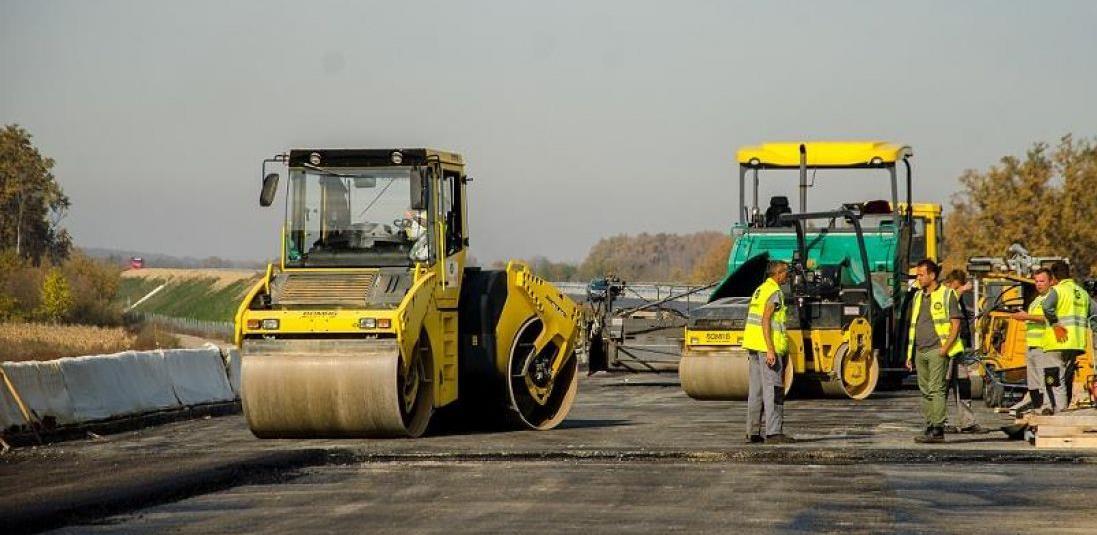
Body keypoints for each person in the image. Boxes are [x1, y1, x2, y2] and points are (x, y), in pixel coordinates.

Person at [906, 259, 964, 444]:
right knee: (925, 390)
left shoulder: (947, 295)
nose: (918, 278)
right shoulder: (918, 296)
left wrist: (945, 348)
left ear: (932, 275)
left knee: (936, 389)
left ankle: (938, 428)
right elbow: (914, 326)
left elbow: (956, 325)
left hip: (937, 349)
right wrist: (909, 355)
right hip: (920, 350)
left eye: (921, 274)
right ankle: (930, 425)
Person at [742, 260, 794, 444]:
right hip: (767, 348)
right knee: (774, 389)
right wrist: (771, 350)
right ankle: (774, 432)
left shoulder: (760, 290)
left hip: (754, 345)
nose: (787, 275)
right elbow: (766, 321)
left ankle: (753, 432)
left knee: (756, 390)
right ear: (778, 274)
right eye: (786, 272)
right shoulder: (774, 293)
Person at [1038, 261, 1090, 413]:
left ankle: (1060, 411)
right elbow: (1094, 312)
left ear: (1053, 276)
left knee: (1054, 378)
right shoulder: (1082, 293)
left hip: (1057, 341)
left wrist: (1054, 323)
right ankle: (1051, 408)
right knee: (1062, 378)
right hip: (1076, 343)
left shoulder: (1058, 290)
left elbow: (1047, 307)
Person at [941, 269, 982, 433]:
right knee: (943, 385)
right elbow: (949, 301)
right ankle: (940, 421)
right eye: (959, 284)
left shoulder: (954, 295)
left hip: (959, 347)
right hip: (948, 348)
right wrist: (962, 289)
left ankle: (967, 422)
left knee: (964, 384)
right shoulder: (946, 294)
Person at [1009, 267, 1053, 414]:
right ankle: (1037, 409)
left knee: (1044, 383)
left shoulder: (1052, 297)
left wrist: (1026, 317)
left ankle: (1046, 410)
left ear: (1050, 281)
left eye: (1042, 281)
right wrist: (1023, 315)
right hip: (1032, 347)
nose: (1039, 284)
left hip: (1044, 347)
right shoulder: (1036, 300)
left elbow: (1049, 319)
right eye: (1036, 281)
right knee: (1033, 384)